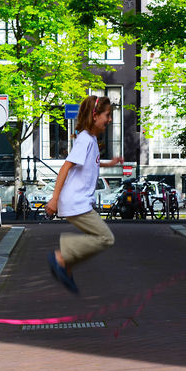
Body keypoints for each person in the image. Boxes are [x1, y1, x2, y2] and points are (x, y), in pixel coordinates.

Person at [45, 95, 123, 293]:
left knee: (97, 237)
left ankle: (66, 266)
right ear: (95, 115)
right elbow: (65, 167)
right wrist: (54, 199)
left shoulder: (91, 139)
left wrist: (109, 163)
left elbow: (91, 162)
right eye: (107, 115)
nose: (110, 119)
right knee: (105, 238)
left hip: (79, 202)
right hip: (75, 201)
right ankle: (61, 257)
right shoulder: (85, 140)